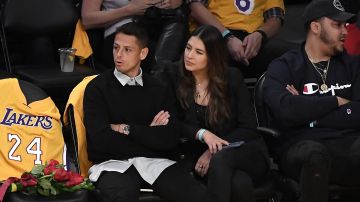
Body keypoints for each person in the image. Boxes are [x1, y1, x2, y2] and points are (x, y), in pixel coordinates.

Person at [83, 22, 208, 202]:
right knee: (121, 194)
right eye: (116, 48)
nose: (118, 55)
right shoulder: (97, 88)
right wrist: (149, 133)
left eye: (127, 50)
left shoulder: (159, 88)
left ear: (143, 53)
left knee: (197, 195)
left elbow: (169, 138)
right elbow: (100, 141)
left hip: (156, 162)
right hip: (112, 164)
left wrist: (126, 129)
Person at [263, 0, 360, 201]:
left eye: (345, 25)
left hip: (348, 143)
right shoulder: (285, 66)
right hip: (301, 145)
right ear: (315, 27)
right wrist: (335, 102)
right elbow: (286, 111)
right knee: (315, 155)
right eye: (337, 25)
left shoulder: (354, 65)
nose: (345, 31)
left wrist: (310, 115)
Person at [162, 25, 270, 202]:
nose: (189, 56)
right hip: (200, 157)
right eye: (188, 48)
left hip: (243, 150)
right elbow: (171, 122)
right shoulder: (173, 75)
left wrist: (213, 150)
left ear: (213, 57)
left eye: (198, 52)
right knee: (239, 184)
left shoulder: (232, 78)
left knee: (222, 159)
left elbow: (249, 128)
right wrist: (203, 135)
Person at [81, 0, 188, 73]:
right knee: (154, 55)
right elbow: (87, 20)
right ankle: (159, 79)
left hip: (158, 26)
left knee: (181, 32)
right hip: (122, 32)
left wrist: (173, 2)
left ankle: (160, 77)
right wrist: (129, 9)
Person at [187, 0, 285, 78]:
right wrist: (227, 37)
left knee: (296, 56)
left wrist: (260, 34)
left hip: (253, 38)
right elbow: (195, 8)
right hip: (217, 32)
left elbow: (275, 18)